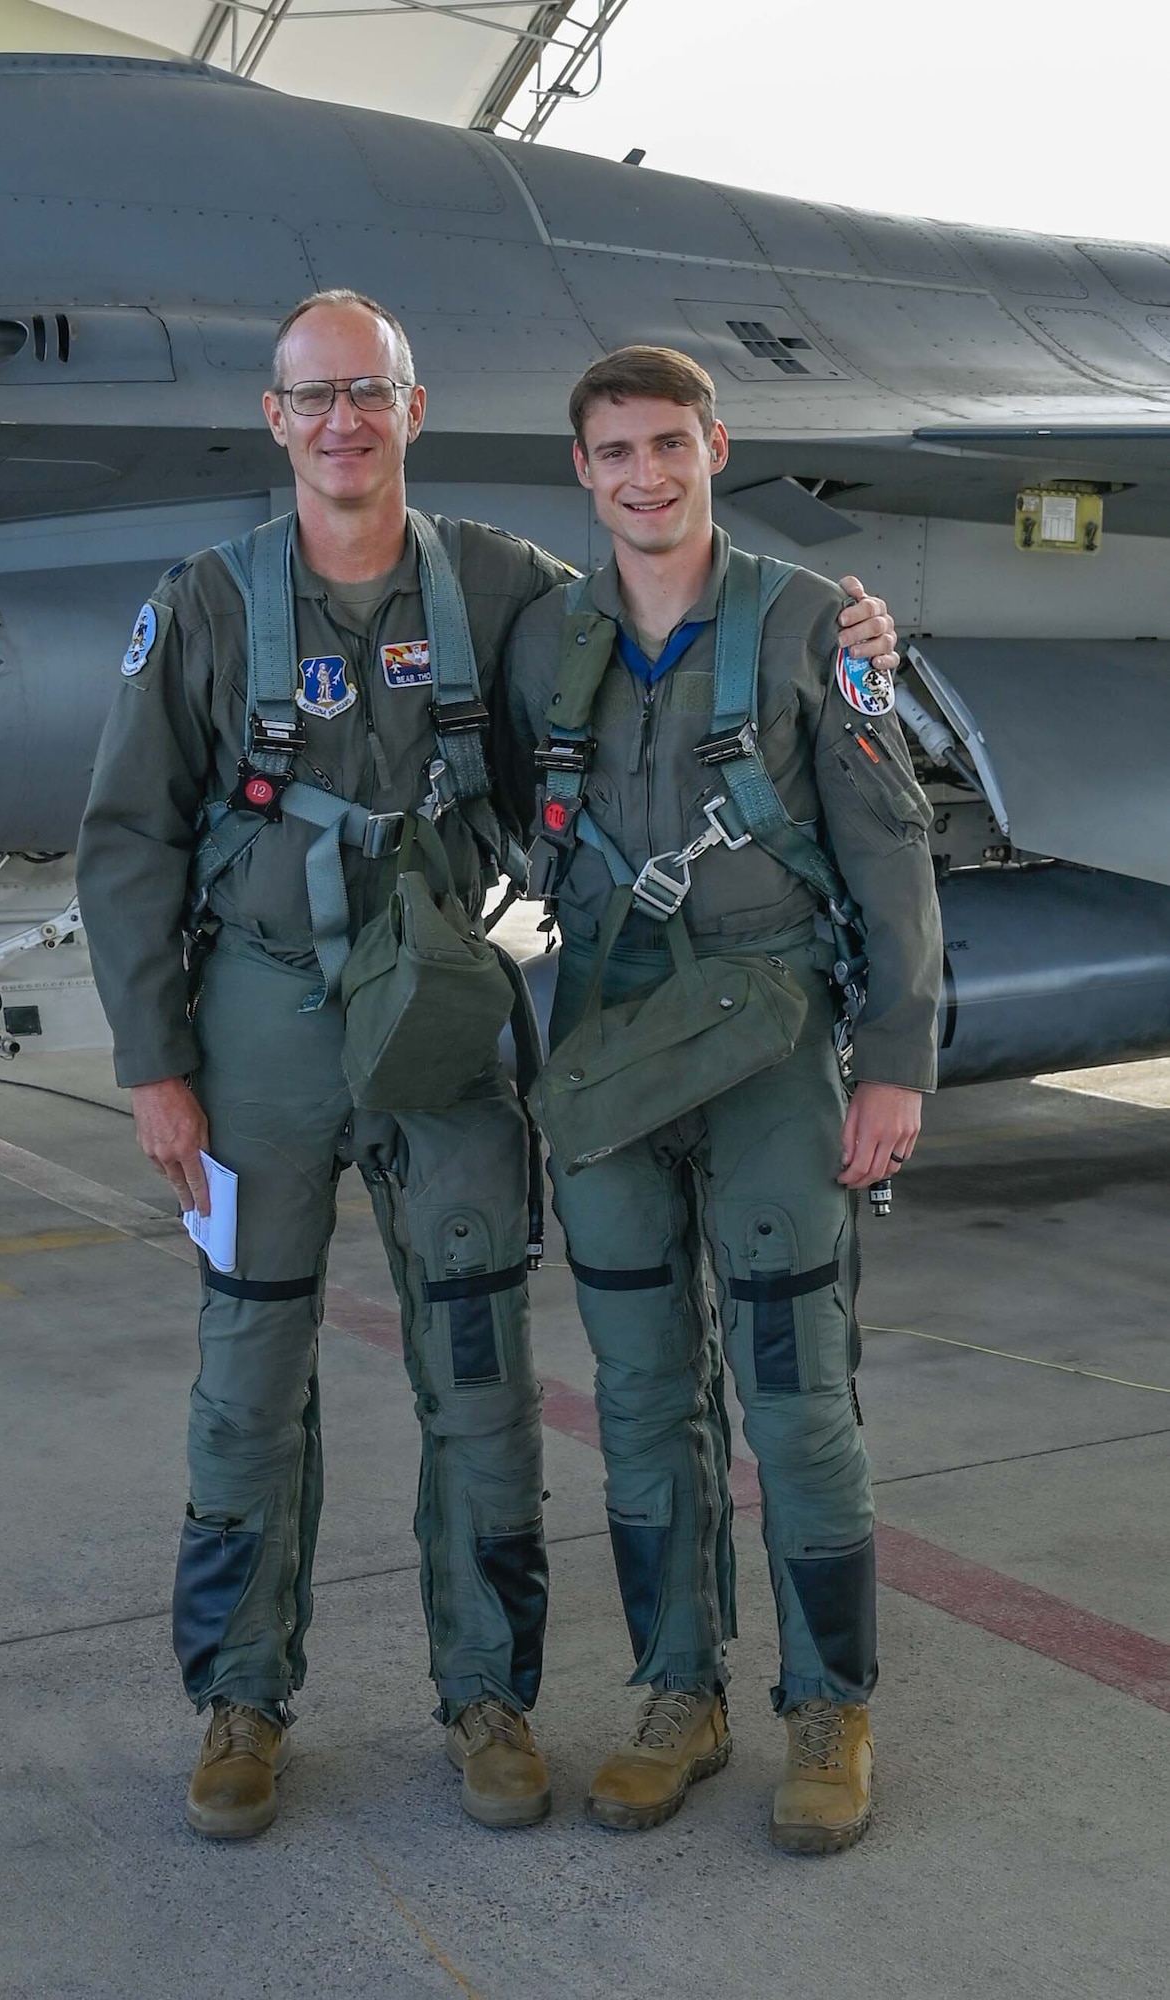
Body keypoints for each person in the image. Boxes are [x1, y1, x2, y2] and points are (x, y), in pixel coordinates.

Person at [76, 293, 900, 1841]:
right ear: (277, 418)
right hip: (257, 1032)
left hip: (449, 1032)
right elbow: (126, 841)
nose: (341, 423)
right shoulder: (203, 606)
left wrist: (851, 637)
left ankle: (489, 1698)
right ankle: (241, 1704)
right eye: (313, 398)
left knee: (479, 1376)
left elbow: (659, 651)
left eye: (367, 395)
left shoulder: (505, 593)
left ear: (412, 406)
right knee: (247, 1376)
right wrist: (151, 1063)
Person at [503, 345, 939, 1852]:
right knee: (637, 1400)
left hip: (769, 1044)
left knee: (799, 1398)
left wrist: (893, 1062)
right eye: (615, 450)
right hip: (613, 1046)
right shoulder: (548, 640)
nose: (644, 474)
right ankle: (677, 1695)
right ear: (583, 468)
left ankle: (831, 1708)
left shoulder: (815, 625)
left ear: (713, 447)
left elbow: (894, 855)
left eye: (669, 445)